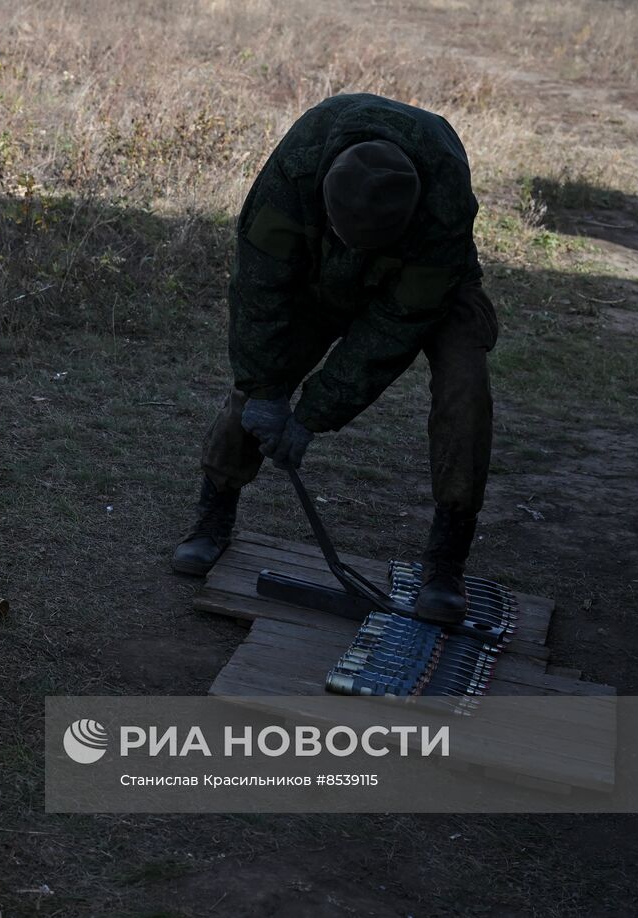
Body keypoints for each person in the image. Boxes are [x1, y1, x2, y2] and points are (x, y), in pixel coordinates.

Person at [171, 93, 499, 625]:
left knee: (467, 391)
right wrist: (266, 391)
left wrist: (312, 415)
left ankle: (446, 560)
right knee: (255, 387)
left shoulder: (444, 197)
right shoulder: (295, 170)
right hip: (318, 270)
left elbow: (393, 327)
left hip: (430, 286)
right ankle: (213, 515)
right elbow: (259, 292)